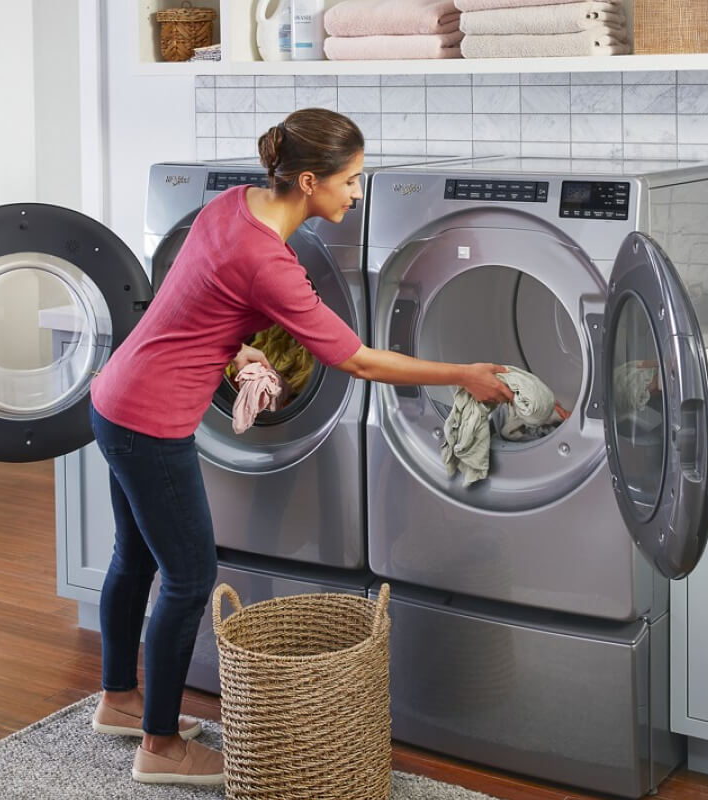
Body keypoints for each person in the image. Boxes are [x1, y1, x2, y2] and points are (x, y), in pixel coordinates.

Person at [86, 107, 515, 786]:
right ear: (310, 181)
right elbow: (358, 360)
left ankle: (119, 700)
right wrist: (463, 374)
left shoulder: (230, 205)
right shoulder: (268, 262)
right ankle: (160, 748)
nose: (357, 194)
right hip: (152, 422)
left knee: (134, 558)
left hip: (115, 398)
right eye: (351, 180)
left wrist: (235, 348)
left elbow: (191, 298)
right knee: (190, 578)